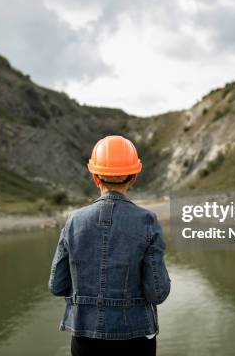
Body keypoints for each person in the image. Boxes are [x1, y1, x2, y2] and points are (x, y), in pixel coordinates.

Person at [49, 135, 171, 356]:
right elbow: (158, 293)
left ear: (96, 177)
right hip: (135, 338)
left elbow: (57, 285)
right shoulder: (147, 221)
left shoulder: (74, 220)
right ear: (133, 177)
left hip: (84, 336)